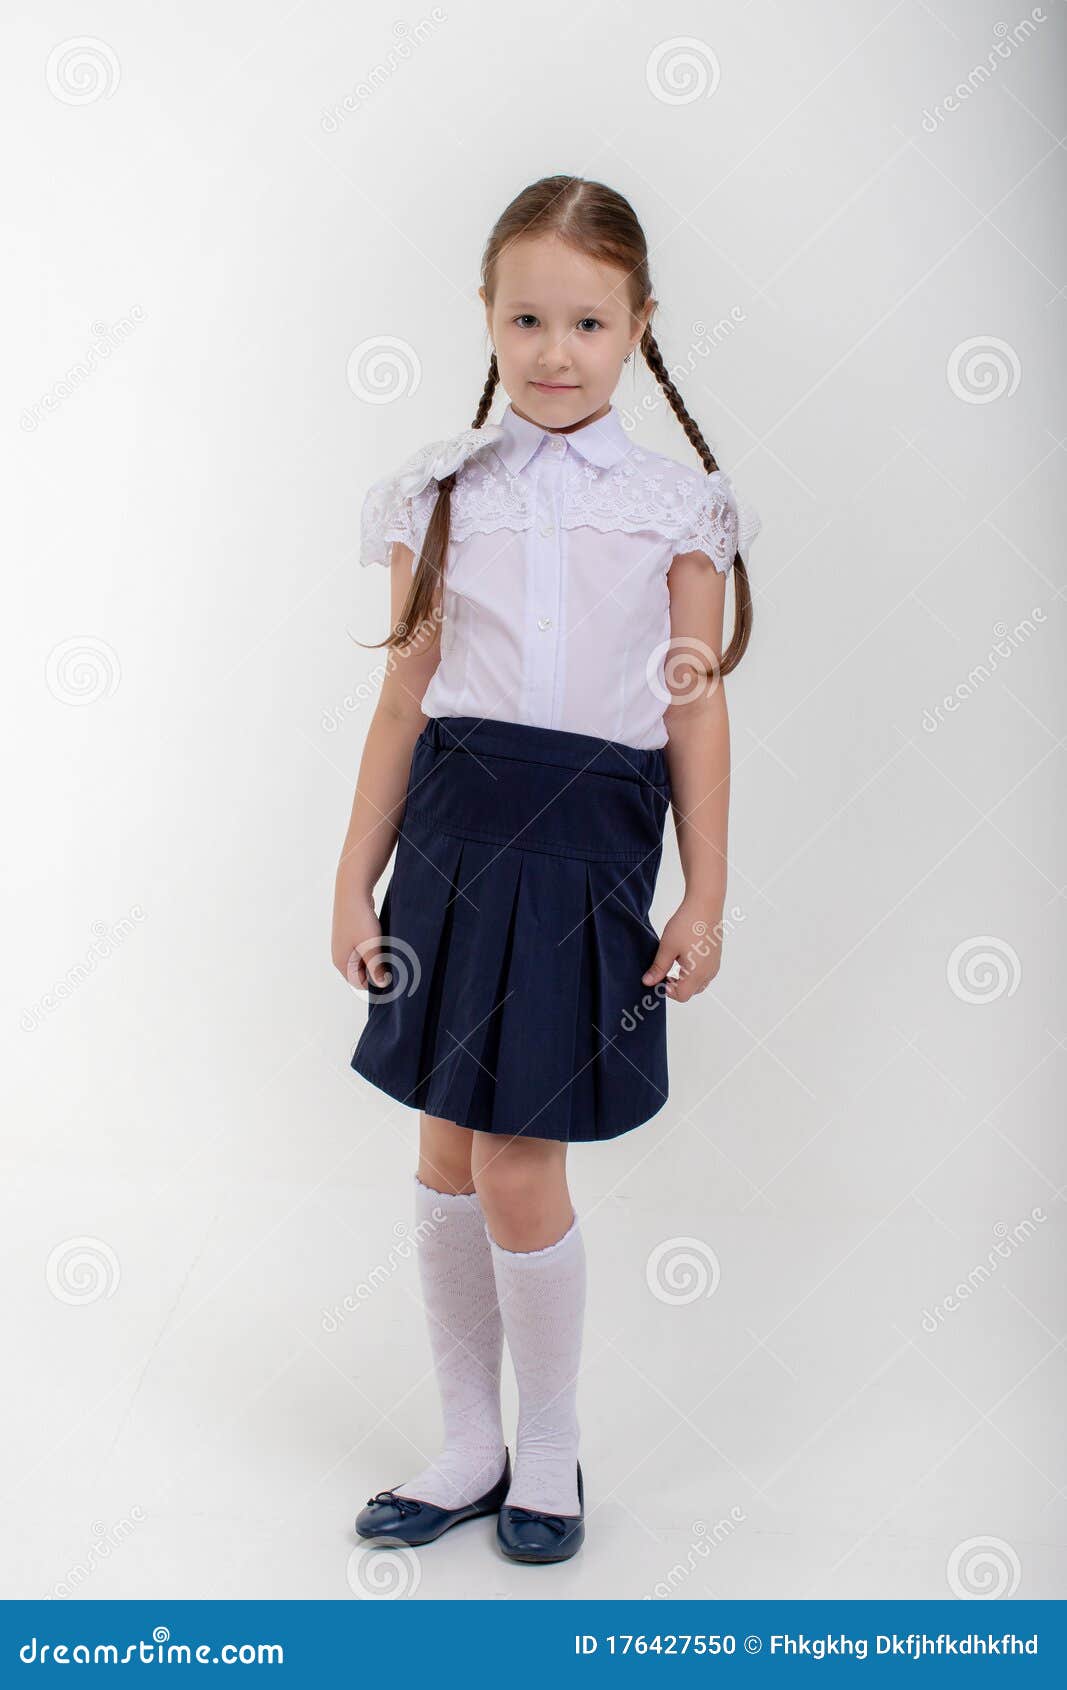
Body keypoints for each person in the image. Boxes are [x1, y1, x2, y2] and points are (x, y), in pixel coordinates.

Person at [332, 175, 761, 1565]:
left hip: (585, 851)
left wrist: (705, 887)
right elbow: (403, 698)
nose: (556, 349)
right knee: (447, 1146)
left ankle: (555, 1447)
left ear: (640, 324)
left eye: (588, 318)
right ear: (487, 319)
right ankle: (469, 1442)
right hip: (451, 840)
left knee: (523, 1158)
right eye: (528, 317)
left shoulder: (681, 506)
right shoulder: (438, 491)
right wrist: (354, 877)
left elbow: (694, 704)